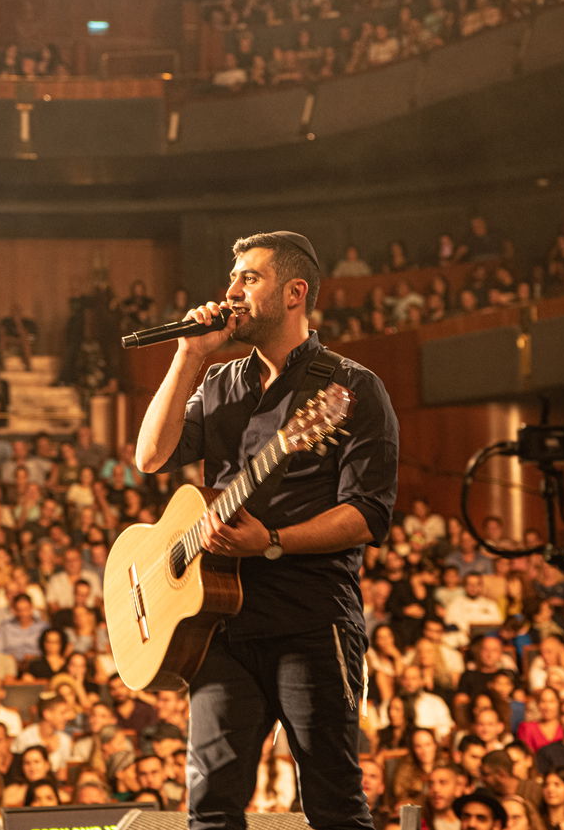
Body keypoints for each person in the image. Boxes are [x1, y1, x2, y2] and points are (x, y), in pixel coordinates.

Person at [134, 231, 399, 830]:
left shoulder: (351, 387)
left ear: (293, 293)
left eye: (249, 278)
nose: (231, 291)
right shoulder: (219, 382)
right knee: (209, 807)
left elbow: (368, 513)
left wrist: (273, 542)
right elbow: (150, 456)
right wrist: (188, 356)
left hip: (310, 619)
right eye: (232, 278)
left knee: (333, 803)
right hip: (220, 625)